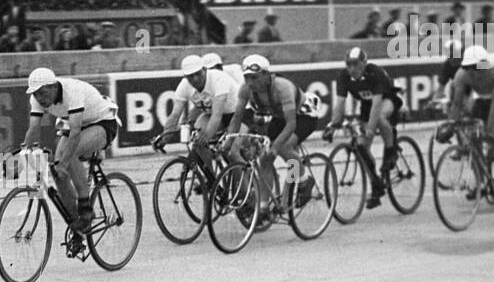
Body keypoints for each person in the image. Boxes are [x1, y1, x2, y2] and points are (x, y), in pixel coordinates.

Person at [20, 68, 120, 235]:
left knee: (68, 155)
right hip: (75, 125)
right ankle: (77, 224)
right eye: (36, 94)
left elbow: (75, 133)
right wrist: (23, 152)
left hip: (102, 123)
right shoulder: (37, 98)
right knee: (58, 171)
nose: (40, 99)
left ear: (53, 87)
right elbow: (33, 128)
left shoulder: (71, 91)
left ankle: (85, 209)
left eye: (43, 93)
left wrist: (64, 163)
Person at [224, 54, 321, 211]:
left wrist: (275, 147)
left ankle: (305, 179)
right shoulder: (245, 89)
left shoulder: (283, 87)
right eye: (247, 77)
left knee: (283, 148)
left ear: (266, 75)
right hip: (278, 117)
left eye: (254, 78)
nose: (250, 82)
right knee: (265, 159)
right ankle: (263, 207)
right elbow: (237, 117)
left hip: (303, 116)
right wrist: (229, 139)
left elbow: (291, 124)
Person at [440, 45, 494, 195]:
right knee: (473, 139)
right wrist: (451, 125)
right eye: (469, 68)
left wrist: (489, 127)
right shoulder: (461, 75)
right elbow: (457, 104)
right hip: (484, 100)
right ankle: (482, 181)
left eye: (477, 67)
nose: (473, 72)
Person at [324, 47, 404, 208]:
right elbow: (339, 104)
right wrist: (332, 125)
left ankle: (391, 151)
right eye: (349, 65)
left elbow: (377, 106)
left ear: (364, 64)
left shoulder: (374, 73)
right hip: (367, 106)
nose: (352, 69)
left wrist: (370, 130)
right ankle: (376, 186)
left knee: (380, 118)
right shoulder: (344, 76)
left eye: (356, 64)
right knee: (361, 147)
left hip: (388, 98)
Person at [152, 53, 242, 168]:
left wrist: (207, 136)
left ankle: (241, 182)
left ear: (204, 70)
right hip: (213, 114)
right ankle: (210, 180)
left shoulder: (218, 79)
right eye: (190, 76)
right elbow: (175, 115)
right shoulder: (184, 85)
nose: (195, 79)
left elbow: (217, 115)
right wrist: (164, 138)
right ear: (185, 76)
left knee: (229, 152)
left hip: (236, 113)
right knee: (198, 140)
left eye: (198, 74)